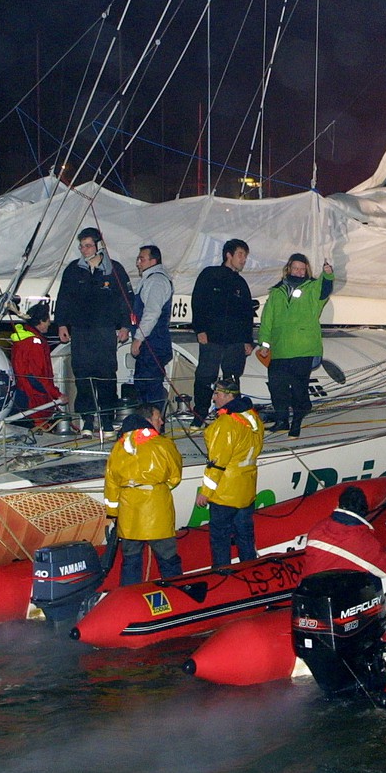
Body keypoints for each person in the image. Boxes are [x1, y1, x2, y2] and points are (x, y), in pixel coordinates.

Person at [54, 227, 133, 433]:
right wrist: (62, 323)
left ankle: (107, 420)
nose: (85, 250)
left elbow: (127, 300)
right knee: (83, 376)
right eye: (82, 246)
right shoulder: (73, 270)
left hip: (105, 331)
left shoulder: (114, 270)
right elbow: (63, 299)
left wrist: (125, 326)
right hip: (80, 331)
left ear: (99, 246)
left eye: (88, 245)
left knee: (106, 376)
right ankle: (88, 421)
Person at [103, 404, 183, 585]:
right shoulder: (164, 444)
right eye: (158, 418)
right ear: (147, 421)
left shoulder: (118, 448)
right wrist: (157, 488)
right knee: (168, 559)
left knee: (131, 561)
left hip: (129, 515)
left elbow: (111, 485)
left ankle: (130, 600)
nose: (161, 421)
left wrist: (114, 513)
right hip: (157, 511)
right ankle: (176, 594)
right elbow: (175, 477)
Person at [257, 252, 334, 438]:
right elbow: (267, 320)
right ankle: (282, 420)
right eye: (295, 268)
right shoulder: (276, 292)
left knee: (299, 388)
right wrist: (264, 344)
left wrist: (328, 273)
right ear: (288, 269)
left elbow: (325, 287)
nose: (299, 272)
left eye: (302, 268)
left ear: (306, 270)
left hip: (304, 348)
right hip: (281, 349)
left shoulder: (313, 289)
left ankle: (297, 422)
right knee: (277, 386)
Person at [197, 381, 265, 566]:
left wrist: (205, 492)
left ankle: (222, 573)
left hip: (225, 493)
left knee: (220, 538)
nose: (214, 397)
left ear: (229, 396)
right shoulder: (252, 417)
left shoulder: (226, 423)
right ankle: (250, 569)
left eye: (217, 394)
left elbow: (217, 463)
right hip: (246, 489)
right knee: (245, 535)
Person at [190, 238, 256, 424]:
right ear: (229, 255)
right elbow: (198, 302)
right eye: (241, 255)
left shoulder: (241, 284)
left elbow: (246, 314)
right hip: (212, 337)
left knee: (232, 379)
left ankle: (231, 416)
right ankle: (200, 414)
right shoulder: (210, 275)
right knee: (205, 376)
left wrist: (248, 341)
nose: (244, 259)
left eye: (245, 256)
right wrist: (200, 329)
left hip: (235, 341)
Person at [300, 485, 386, 578]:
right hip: (338, 592)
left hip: (307, 591)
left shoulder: (317, 529)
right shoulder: (365, 542)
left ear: (338, 504)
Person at [130, 244, 175, 415]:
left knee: (149, 386)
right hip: (153, 341)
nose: (138, 263)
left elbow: (152, 312)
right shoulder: (150, 279)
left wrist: (138, 338)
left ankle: (153, 426)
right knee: (145, 384)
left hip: (153, 342)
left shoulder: (156, 281)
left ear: (153, 260)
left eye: (141, 259)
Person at [9, 303, 64, 427]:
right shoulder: (35, 344)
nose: (49, 324)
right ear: (40, 321)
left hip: (21, 395)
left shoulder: (22, 339)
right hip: (33, 400)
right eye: (47, 320)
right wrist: (57, 395)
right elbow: (38, 377)